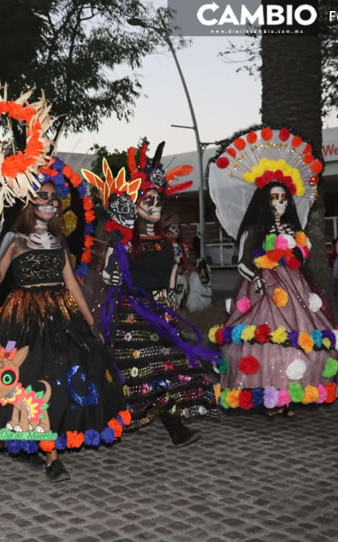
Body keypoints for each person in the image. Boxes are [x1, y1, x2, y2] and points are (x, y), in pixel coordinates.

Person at [0, 181, 129, 482]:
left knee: (67, 372)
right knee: (28, 377)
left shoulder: (58, 239)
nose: (50, 201)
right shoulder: (14, 238)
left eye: (54, 197)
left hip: (60, 314)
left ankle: (52, 444)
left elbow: (73, 285)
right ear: (30, 201)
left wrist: (91, 322)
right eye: (43, 196)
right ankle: (48, 452)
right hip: (23, 316)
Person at [207, 126, 338, 416]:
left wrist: (299, 249)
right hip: (264, 289)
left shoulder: (295, 229)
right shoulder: (254, 229)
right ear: (264, 200)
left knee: (302, 335)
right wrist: (257, 280)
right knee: (264, 340)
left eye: (283, 198)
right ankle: (266, 394)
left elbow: (300, 257)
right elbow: (243, 263)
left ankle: (287, 393)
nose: (279, 203)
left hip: (295, 287)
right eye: (274, 198)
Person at [94, 142, 218, 447]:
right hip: (131, 312)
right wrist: (111, 273)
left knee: (172, 366)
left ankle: (176, 428)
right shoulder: (121, 242)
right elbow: (109, 275)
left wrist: (173, 297)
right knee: (137, 373)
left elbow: (174, 273)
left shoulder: (168, 243)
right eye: (147, 200)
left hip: (162, 312)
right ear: (134, 205)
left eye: (157, 200)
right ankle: (114, 423)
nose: (154, 205)